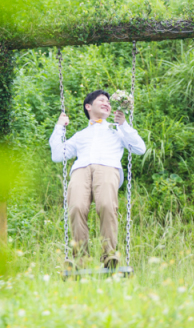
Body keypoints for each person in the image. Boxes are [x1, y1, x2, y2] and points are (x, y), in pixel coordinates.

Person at [49, 90, 146, 269]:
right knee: (76, 207)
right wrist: (59, 127)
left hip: (108, 167)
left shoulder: (117, 131)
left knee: (107, 206)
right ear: (88, 106)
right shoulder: (80, 135)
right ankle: (81, 259)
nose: (106, 103)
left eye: (108, 101)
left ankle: (109, 256)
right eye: (101, 100)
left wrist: (124, 125)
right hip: (81, 169)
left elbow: (140, 148)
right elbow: (57, 155)